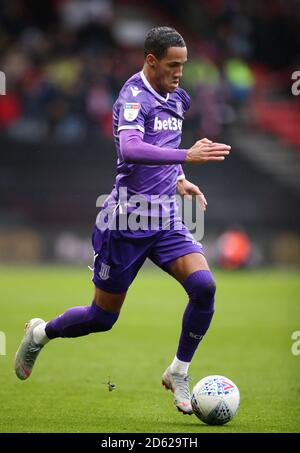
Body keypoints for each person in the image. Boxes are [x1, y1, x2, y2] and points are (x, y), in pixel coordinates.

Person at [15, 27, 231, 415]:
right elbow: (131, 148)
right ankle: (39, 334)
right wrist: (186, 158)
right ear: (151, 60)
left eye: (183, 64)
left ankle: (178, 371)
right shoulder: (133, 96)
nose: (180, 72)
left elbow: (160, 147)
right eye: (172, 65)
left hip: (165, 218)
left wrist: (179, 180)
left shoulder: (178, 98)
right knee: (102, 318)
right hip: (127, 222)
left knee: (204, 287)